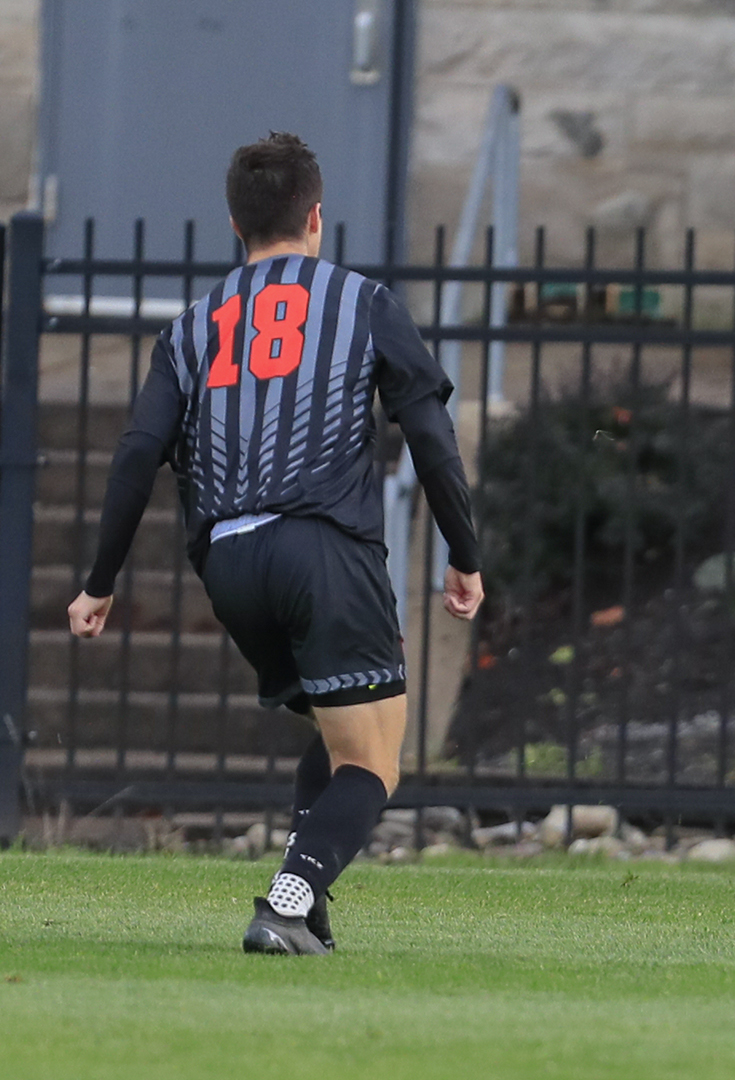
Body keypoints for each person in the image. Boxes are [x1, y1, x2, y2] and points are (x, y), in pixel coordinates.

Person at [68, 132, 485, 953]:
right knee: (374, 763)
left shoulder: (191, 327)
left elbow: (135, 454)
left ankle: (309, 919)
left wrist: (99, 580)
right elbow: (431, 439)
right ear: (317, 217)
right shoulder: (362, 302)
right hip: (321, 548)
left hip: (229, 561)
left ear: (235, 223)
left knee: (335, 737)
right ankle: (288, 901)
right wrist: (463, 553)